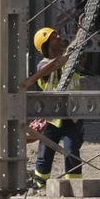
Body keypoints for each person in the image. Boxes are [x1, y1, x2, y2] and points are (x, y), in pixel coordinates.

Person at [29, 26, 84, 190]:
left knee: (71, 150)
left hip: (72, 115)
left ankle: (74, 186)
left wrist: (80, 34)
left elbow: (73, 57)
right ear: (46, 46)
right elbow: (51, 67)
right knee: (45, 153)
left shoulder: (70, 61)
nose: (59, 38)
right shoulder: (43, 66)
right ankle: (39, 184)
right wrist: (70, 53)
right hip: (51, 117)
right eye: (54, 38)